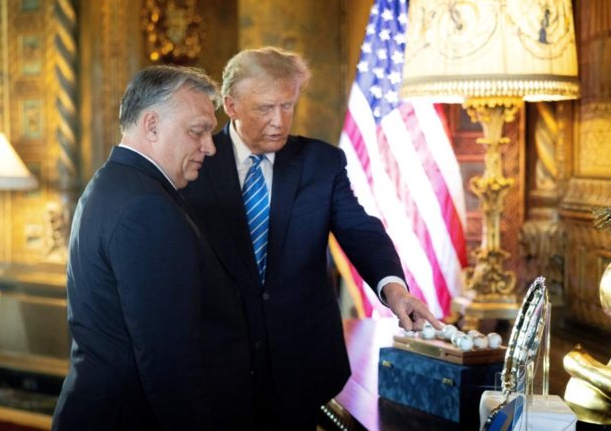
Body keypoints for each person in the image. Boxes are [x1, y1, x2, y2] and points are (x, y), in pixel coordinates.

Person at [181, 46, 443, 429]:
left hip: (300, 365)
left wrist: (394, 290)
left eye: (287, 106)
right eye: (265, 108)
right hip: (217, 364)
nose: (279, 121)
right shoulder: (194, 162)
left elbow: (360, 230)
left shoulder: (321, 163)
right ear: (231, 105)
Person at [52, 65, 251, 430]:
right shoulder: (147, 207)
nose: (210, 147)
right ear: (152, 125)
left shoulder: (113, 183)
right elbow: (168, 361)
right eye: (197, 131)